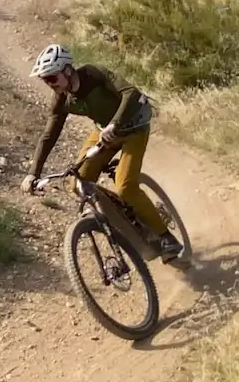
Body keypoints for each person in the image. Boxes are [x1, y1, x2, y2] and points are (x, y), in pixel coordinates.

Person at [21, 44, 183, 263]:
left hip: (134, 127)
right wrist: (33, 173)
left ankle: (166, 238)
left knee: (126, 187)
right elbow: (49, 136)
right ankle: (132, 223)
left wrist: (114, 124)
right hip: (105, 133)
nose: (50, 84)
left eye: (51, 78)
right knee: (78, 183)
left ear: (67, 70)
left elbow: (131, 92)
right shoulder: (61, 99)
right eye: (45, 80)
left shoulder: (93, 73)